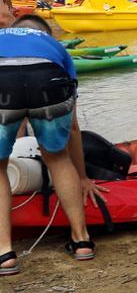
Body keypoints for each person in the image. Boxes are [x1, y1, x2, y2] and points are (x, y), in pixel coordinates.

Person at [0, 15, 96, 275]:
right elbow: (74, 128)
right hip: (49, 78)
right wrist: (83, 176)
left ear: (13, 30)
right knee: (57, 157)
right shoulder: (56, 49)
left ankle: (5, 252)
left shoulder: (2, 37)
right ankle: (82, 240)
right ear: (45, 34)